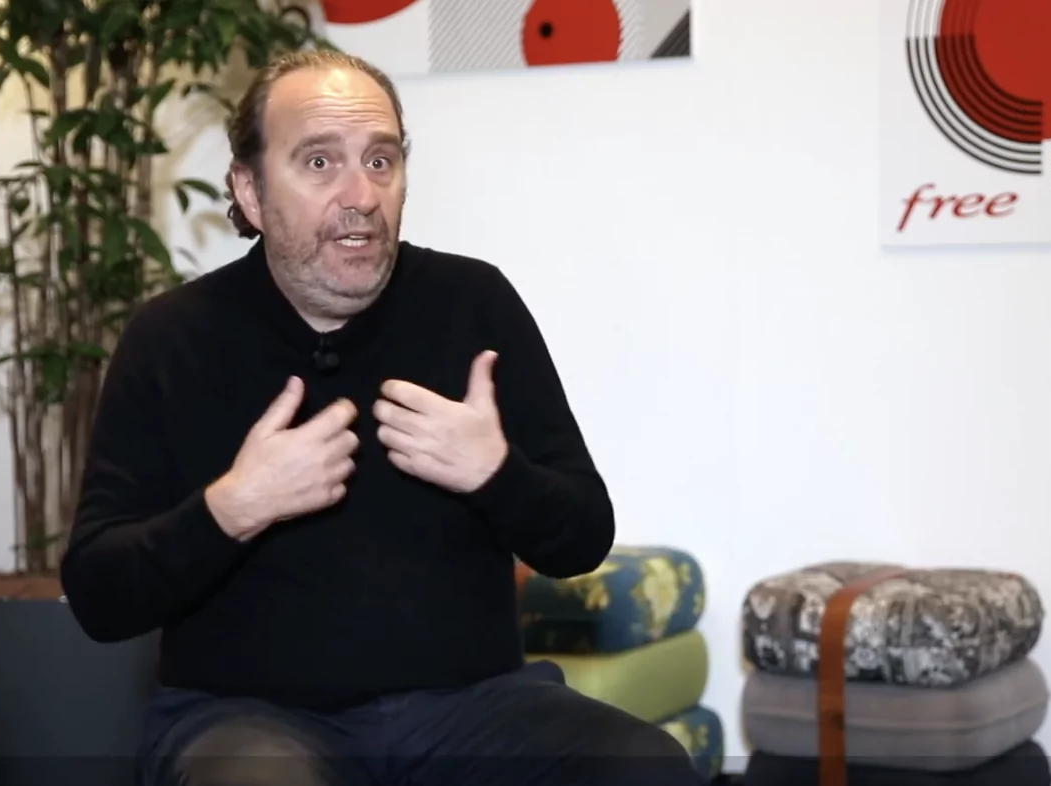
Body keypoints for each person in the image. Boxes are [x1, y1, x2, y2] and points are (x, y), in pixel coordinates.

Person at [58, 50, 701, 786]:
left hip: (472, 710)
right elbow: (99, 596)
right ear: (251, 190)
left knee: (645, 767)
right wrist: (235, 507)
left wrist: (497, 475)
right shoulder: (172, 338)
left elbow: (583, 537)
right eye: (320, 162)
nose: (361, 194)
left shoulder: (473, 305)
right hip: (249, 718)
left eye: (380, 160)